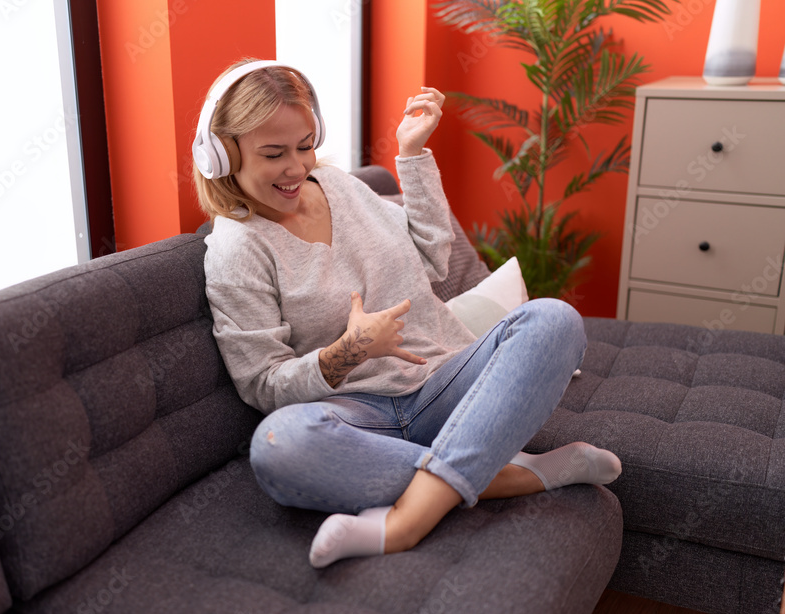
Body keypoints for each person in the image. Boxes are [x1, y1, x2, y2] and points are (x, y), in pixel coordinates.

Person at [194, 59, 621, 569]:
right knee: (277, 446)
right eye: (273, 153)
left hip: (444, 384)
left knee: (553, 320)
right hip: (359, 419)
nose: (296, 167)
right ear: (221, 155)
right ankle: (522, 473)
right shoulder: (235, 250)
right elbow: (261, 385)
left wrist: (412, 154)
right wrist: (344, 354)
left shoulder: (344, 189)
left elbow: (433, 257)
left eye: (305, 145)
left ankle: (404, 524)